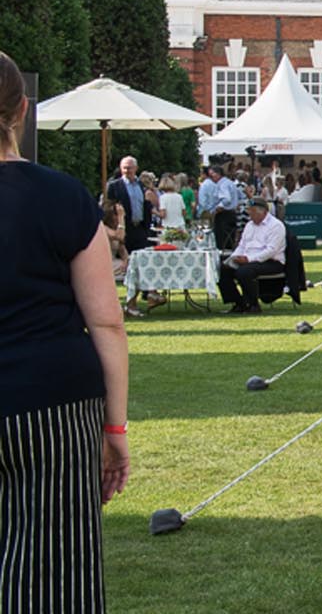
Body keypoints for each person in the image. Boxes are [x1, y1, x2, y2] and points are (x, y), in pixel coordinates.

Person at [0, 52, 131, 606]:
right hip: (51, 400)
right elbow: (106, 319)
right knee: (59, 571)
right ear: (22, 111)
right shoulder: (62, 196)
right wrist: (116, 430)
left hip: (45, 393)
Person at [215, 198, 287, 314]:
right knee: (222, 269)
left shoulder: (276, 226)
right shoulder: (249, 225)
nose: (250, 215)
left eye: (252, 212)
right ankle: (238, 303)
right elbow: (242, 245)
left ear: (263, 212)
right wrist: (234, 257)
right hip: (248, 260)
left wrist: (249, 259)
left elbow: (271, 250)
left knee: (244, 272)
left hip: (271, 261)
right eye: (249, 212)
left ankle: (253, 305)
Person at [105, 155, 153, 253]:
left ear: (136, 168)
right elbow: (107, 208)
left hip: (140, 228)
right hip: (124, 228)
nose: (127, 171)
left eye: (129, 168)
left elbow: (146, 206)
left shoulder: (141, 185)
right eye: (124, 168)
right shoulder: (114, 186)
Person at [197, 164, 246, 251]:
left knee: (222, 241)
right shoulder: (229, 182)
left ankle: (223, 259)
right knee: (228, 240)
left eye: (212, 174)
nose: (211, 177)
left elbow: (226, 199)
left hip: (224, 215)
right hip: (230, 214)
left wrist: (218, 208)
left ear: (218, 174)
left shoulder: (223, 184)